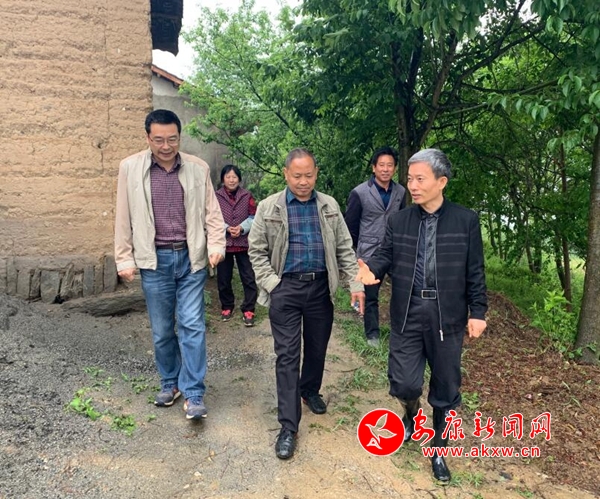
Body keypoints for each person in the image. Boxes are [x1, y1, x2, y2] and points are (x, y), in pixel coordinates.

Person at [356, 148, 487, 482]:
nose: (412, 186)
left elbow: (475, 271)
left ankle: (439, 449)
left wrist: (478, 312)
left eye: (419, 179)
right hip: (408, 311)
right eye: (410, 179)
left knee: (445, 386)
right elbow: (385, 254)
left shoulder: (465, 221)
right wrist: (371, 270)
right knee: (404, 382)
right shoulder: (399, 220)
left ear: (441, 182)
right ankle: (411, 415)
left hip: (447, 316)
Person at [248, 148, 365, 460]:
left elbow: (345, 248)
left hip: (319, 288)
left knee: (316, 347)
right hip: (285, 289)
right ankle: (288, 426)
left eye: (309, 175)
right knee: (287, 356)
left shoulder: (329, 206)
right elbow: (256, 250)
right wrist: (273, 284)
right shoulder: (268, 207)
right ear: (286, 174)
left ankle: (309, 389)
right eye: (297, 176)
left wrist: (355, 286)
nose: (303, 182)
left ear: (316, 174)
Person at [114, 109, 226, 421]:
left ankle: (194, 392)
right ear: (148, 138)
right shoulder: (130, 168)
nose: (166, 146)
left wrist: (216, 245)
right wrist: (124, 257)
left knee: (192, 325)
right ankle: (170, 382)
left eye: (172, 139)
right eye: (159, 140)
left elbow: (212, 212)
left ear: (179, 137)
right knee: (162, 330)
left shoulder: (197, 168)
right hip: (154, 260)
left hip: (191, 258)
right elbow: (123, 215)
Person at [344, 146, 407, 348]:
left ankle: (401, 331)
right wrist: (354, 254)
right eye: (381, 165)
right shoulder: (359, 193)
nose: (385, 169)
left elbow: (403, 220)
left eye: (390, 165)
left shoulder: (401, 192)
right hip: (369, 252)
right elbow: (351, 226)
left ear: (395, 168)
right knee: (371, 295)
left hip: (394, 250)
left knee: (403, 290)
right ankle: (372, 335)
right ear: (374, 167)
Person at [214, 164, 258, 326]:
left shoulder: (247, 195)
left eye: (234, 177)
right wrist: (227, 228)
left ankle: (249, 309)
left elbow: (254, 216)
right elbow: (211, 216)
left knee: (248, 277)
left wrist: (241, 228)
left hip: (243, 242)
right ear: (223, 179)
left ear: (239, 179)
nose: (231, 180)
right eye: (228, 177)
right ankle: (227, 306)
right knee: (223, 278)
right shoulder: (215, 196)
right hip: (223, 242)